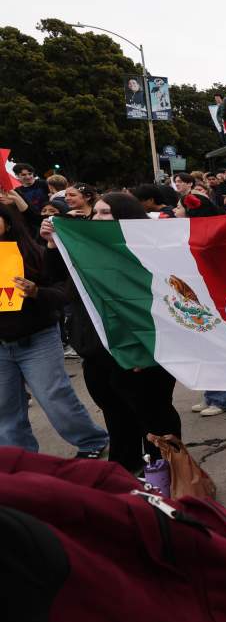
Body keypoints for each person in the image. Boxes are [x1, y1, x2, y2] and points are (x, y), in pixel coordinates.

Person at [43, 193, 183, 473]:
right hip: (98, 352)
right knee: (117, 417)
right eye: (95, 212)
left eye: (105, 212)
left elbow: (153, 306)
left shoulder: (144, 252)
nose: (97, 217)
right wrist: (52, 244)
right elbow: (61, 283)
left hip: (139, 355)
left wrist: (141, 351)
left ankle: (169, 474)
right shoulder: (85, 249)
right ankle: (125, 474)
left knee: (155, 417)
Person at [0, 203, 108, 457]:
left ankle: (91, 440)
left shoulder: (33, 252)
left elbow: (63, 293)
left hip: (36, 339)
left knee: (54, 397)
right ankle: (19, 456)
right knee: (4, 406)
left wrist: (36, 292)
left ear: (8, 222)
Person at [13, 163, 49, 235]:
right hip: (31, 223)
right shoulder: (17, 190)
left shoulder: (43, 184)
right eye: (23, 175)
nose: (28, 177)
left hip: (47, 218)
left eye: (30, 174)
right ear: (17, 176)